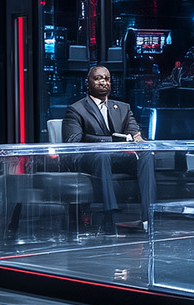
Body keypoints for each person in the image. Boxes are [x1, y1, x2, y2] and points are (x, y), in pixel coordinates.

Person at [61, 65, 156, 233]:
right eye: (98, 79)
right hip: (89, 158)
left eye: (107, 79)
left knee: (146, 156)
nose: (103, 82)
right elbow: (73, 141)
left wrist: (138, 139)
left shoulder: (123, 108)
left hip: (116, 157)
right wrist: (110, 140)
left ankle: (149, 217)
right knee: (102, 155)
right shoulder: (76, 110)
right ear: (88, 83)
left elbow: (134, 132)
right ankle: (109, 218)